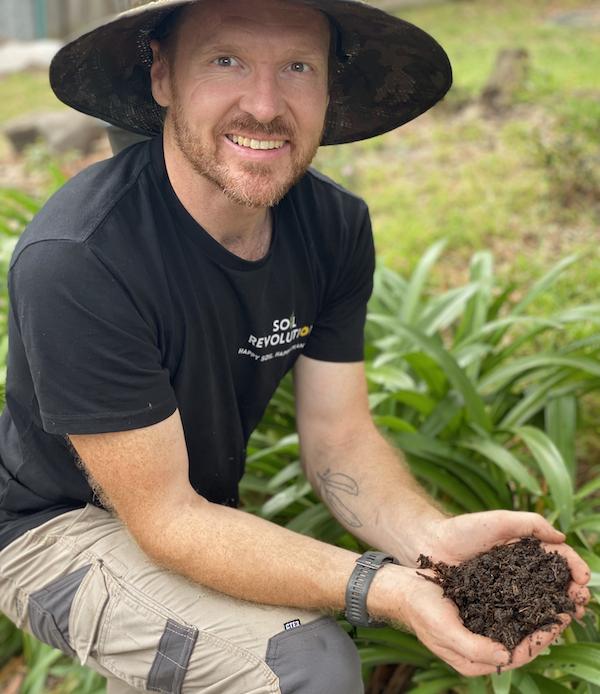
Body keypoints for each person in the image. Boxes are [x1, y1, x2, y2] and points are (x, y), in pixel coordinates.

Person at [0, 1, 590, 693]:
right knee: (303, 663)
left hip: (191, 505)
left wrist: (435, 547)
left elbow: (338, 439)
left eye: (297, 67)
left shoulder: (333, 225)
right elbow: (166, 520)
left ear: (330, 87)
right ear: (160, 74)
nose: (263, 103)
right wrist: (385, 587)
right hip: (55, 530)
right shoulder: (80, 258)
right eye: (226, 61)